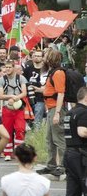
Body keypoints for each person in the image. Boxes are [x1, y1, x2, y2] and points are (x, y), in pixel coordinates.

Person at [64, 87, 87, 196]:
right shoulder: (84, 112)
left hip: (69, 153)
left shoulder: (70, 113)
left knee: (72, 194)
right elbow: (82, 132)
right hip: (81, 155)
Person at [41, 49, 68, 178]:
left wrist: (57, 113)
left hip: (56, 109)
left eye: (46, 56)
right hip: (50, 109)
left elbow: (60, 93)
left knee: (59, 139)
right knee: (50, 139)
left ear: (51, 58)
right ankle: (51, 165)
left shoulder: (58, 73)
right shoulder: (53, 72)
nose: (44, 58)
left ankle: (63, 166)